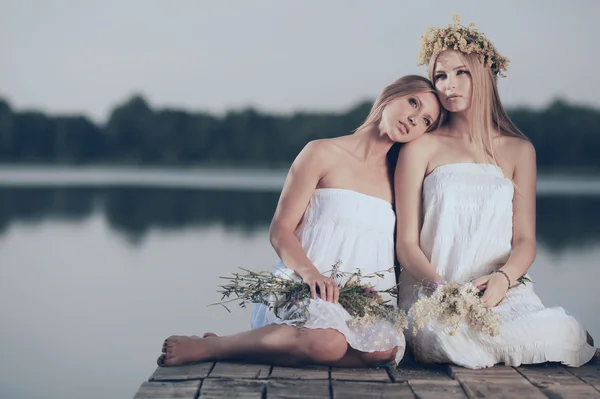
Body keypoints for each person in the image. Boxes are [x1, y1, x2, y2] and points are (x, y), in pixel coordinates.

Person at [158, 75, 442, 368]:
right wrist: (311, 275)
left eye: (426, 121)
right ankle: (217, 346)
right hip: (307, 286)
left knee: (383, 351)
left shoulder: (400, 179)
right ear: (389, 95)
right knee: (327, 342)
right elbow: (280, 231)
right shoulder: (321, 152)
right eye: (413, 103)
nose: (413, 119)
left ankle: (276, 347)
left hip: (363, 301)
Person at [395, 15, 598, 369]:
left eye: (461, 73)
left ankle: (561, 336)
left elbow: (525, 241)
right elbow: (407, 244)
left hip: (500, 292)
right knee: (449, 341)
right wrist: (443, 290)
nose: (448, 85)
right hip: (434, 294)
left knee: (558, 328)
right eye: (440, 76)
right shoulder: (420, 148)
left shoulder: (519, 150)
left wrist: (504, 280)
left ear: (484, 75)